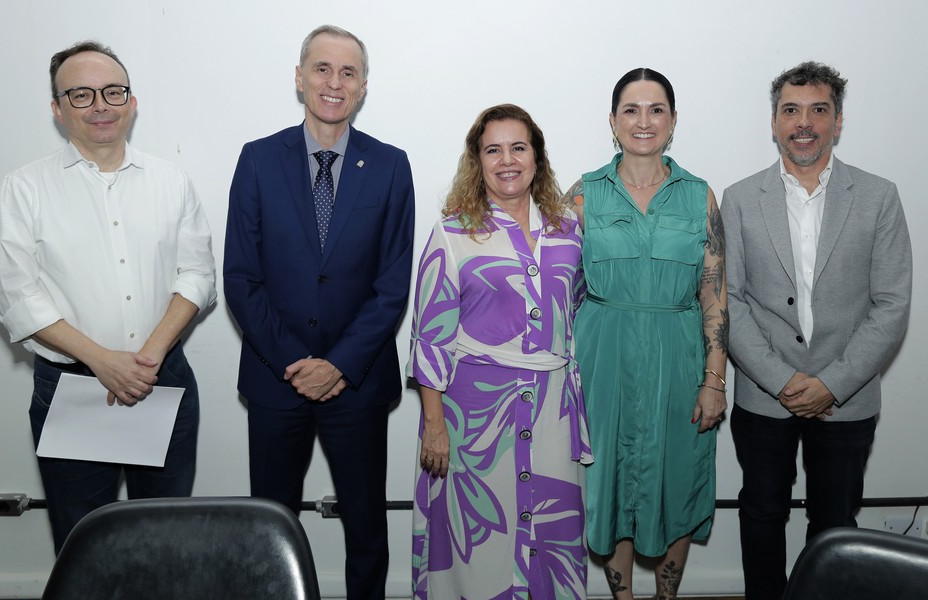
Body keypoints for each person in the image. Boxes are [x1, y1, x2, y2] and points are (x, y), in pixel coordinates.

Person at [0, 40, 216, 554]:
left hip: (162, 378)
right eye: (81, 94)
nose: (100, 105)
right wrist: (102, 361)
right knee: (83, 545)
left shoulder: (171, 180)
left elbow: (198, 274)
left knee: (164, 540)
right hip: (72, 391)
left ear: (132, 102)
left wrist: (149, 354)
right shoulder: (24, 188)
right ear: (57, 109)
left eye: (113, 91)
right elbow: (17, 297)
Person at [223, 25, 415, 599]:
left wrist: (337, 365)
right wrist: (296, 362)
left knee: (365, 523)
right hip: (275, 379)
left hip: (356, 383)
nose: (335, 83)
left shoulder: (390, 165)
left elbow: (392, 285)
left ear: (362, 87)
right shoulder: (257, 160)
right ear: (300, 77)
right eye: (323, 69)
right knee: (272, 523)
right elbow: (240, 277)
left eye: (348, 72)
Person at [723, 61, 912, 600]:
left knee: (834, 522)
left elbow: (892, 304)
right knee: (761, 513)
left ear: (838, 120)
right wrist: (783, 380)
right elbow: (728, 302)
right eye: (791, 110)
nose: (803, 123)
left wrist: (831, 383)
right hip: (764, 395)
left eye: (817, 110)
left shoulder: (879, 196)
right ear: (775, 122)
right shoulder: (738, 199)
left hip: (846, 399)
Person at [408, 104, 592, 599]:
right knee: (479, 541)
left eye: (518, 147)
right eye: (493, 150)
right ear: (477, 161)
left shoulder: (568, 232)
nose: (506, 160)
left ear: (537, 157)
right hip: (475, 419)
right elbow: (429, 337)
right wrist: (433, 424)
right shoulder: (452, 233)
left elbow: (568, 314)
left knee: (553, 535)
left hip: (553, 413)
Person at [563, 68, 727, 600]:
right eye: (631, 110)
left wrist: (714, 380)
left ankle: (666, 596)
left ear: (673, 121)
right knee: (610, 481)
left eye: (656, 109)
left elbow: (715, 295)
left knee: (680, 476)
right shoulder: (581, 197)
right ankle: (623, 597)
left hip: (679, 359)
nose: (643, 121)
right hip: (602, 360)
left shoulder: (700, 197)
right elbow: (553, 293)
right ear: (612, 121)